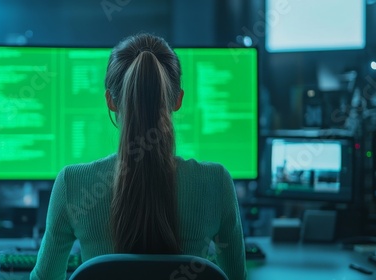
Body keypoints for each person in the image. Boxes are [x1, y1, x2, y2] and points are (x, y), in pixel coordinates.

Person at [30, 33, 247, 280]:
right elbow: (237, 277)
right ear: (178, 100)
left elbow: (45, 278)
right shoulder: (216, 181)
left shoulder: (72, 183)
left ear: (111, 101)